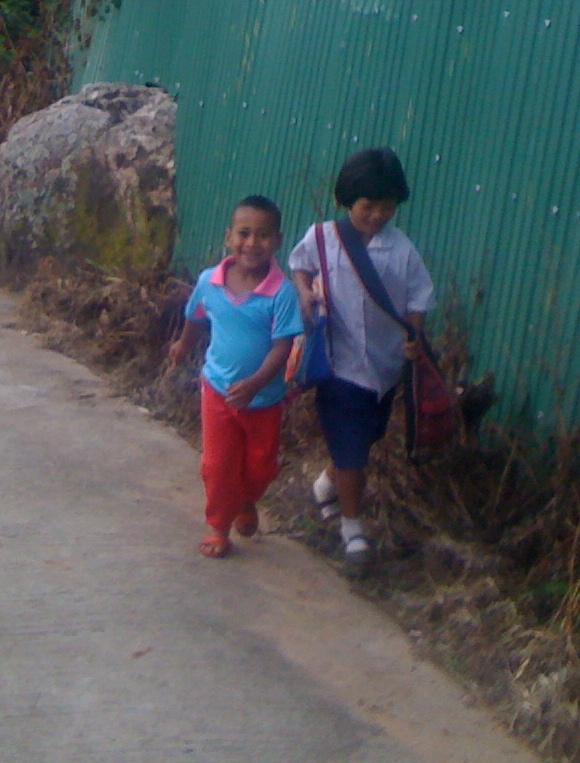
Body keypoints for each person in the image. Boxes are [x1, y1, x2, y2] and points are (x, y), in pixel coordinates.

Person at [289, 147, 435, 573]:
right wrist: (305, 291)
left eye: (386, 207)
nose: (376, 215)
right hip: (338, 366)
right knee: (352, 449)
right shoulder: (322, 238)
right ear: (347, 199)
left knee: (364, 441)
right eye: (368, 205)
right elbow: (300, 265)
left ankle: (326, 484)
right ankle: (353, 531)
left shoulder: (402, 251)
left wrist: (414, 336)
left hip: (384, 371)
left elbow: (419, 298)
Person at [169, 195, 303, 559]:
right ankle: (218, 526)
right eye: (244, 233)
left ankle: (246, 499)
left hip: (264, 400)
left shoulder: (282, 293)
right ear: (229, 236)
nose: (252, 243)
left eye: (263, 235)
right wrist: (182, 345)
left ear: (277, 241)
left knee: (261, 467)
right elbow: (196, 317)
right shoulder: (209, 282)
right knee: (216, 465)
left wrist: (256, 383)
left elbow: (283, 346)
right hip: (217, 391)